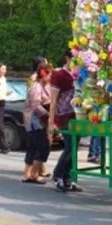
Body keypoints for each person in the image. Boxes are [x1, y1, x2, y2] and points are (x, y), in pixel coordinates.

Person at [51, 50, 83, 193]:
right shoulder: (59, 75)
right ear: (67, 58)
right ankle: (58, 175)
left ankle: (68, 178)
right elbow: (53, 100)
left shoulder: (80, 76)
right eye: (74, 59)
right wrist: (51, 122)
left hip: (78, 115)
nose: (76, 63)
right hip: (64, 116)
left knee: (75, 148)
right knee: (70, 147)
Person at [23, 65, 52, 184]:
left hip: (36, 121)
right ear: (44, 74)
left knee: (33, 147)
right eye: (50, 75)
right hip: (34, 121)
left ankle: (28, 174)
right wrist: (49, 113)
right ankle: (33, 174)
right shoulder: (36, 87)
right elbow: (36, 105)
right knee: (42, 146)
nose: (51, 77)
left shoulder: (43, 86)